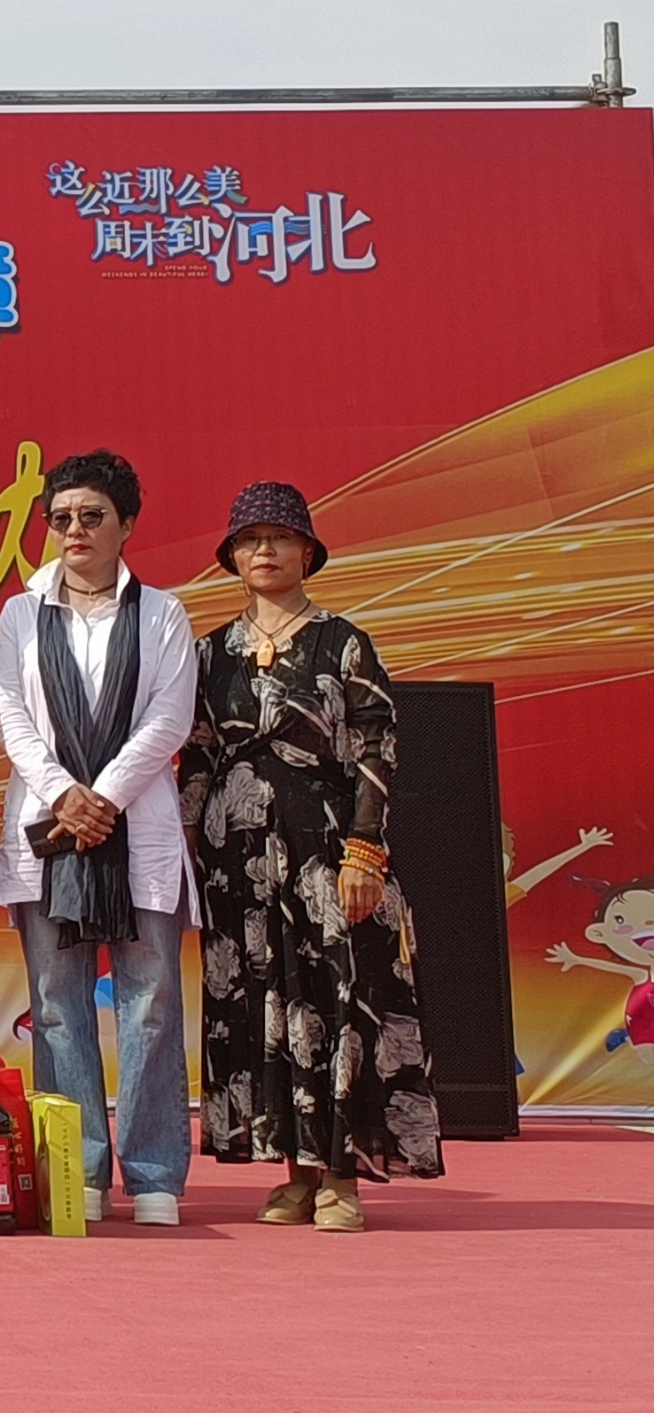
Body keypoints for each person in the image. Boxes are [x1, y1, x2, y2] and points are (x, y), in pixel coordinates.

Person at [182, 481, 441, 1231]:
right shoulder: (208, 653)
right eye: (249, 539)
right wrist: (189, 854)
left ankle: (342, 1175)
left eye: (279, 537)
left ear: (307, 552)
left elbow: (376, 747)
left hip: (328, 850)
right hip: (239, 858)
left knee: (338, 999)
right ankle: (293, 1173)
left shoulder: (342, 642)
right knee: (263, 1005)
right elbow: (197, 757)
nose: (264, 550)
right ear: (232, 557)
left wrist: (364, 850)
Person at [0, 451, 196, 1228]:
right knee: (56, 1005)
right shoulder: (20, 614)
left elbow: (169, 718)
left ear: (127, 524)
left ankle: (154, 1173)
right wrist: (64, 796)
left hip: (135, 830)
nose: (74, 530)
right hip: (49, 832)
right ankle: (79, 1171)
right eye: (61, 518)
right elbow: (11, 716)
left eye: (92, 516)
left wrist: (101, 797)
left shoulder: (163, 614)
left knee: (150, 1004)